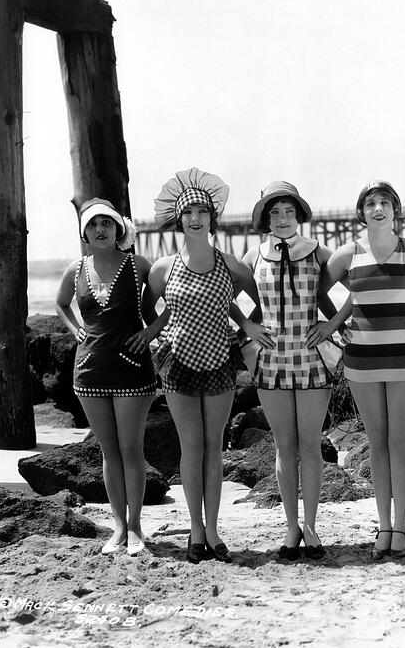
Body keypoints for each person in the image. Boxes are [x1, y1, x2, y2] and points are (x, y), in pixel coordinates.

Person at [148, 168, 272, 564]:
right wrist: (154, 337)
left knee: (213, 449)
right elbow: (152, 313)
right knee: (191, 447)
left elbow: (253, 296)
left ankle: (215, 529)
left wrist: (246, 325)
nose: (196, 217)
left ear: (211, 217)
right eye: (189, 212)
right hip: (179, 366)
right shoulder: (162, 268)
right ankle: (196, 532)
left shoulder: (231, 265)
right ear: (180, 220)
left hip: (219, 361)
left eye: (202, 210)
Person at [317, 181, 405, 559]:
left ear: (395, 210)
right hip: (362, 361)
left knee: (399, 444)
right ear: (361, 212)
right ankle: (383, 526)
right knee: (377, 443)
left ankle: (400, 527)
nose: (378, 208)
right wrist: (337, 322)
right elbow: (320, 291)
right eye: (370, 203)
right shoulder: (348, 253)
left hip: (404, 357)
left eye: (385, 202)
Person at [240, 181, 339, 561]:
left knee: (310, 444)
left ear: (298, 215)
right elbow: (229, 294)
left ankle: (311, 527)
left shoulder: (319, 252)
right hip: (272, 359)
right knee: (284, 446)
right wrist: (247, 327)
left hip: (312, 356)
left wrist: (332, 325)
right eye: (275, 212)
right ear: (265, 217)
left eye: (288, 211)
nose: (282, 218)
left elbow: (355, 287)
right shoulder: (253, 256)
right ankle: (290, 528)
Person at [55, 199, 161, 556]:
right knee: (108, 451)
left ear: (119, 230)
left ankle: (136, 528)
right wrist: (75, 331)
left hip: (133, 368)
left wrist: (151, 332)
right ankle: (117, 527)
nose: (100, 229)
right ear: (84, 232)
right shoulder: (75, 268)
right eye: (93, 224)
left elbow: (168, 302)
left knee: (132, 450)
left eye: (107, 223)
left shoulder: (139, 265)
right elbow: (61, 304)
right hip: (89, 371)